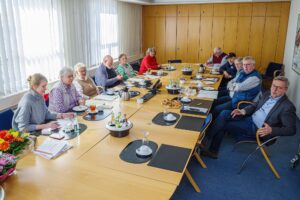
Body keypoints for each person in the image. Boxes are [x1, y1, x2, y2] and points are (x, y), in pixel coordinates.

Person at [200, 76, 296, 159]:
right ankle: (206, 138)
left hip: (258, 129)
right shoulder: (267, 94)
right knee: (224, 113)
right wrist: (243, 111)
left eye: (279, 88)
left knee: (223, 124)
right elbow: (255, 105)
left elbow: (291, 130)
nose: (274, 90)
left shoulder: (287, 106)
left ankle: (210, 148)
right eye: (274, 86)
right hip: (250, 118)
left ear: (285, 89)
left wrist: (271, 130)